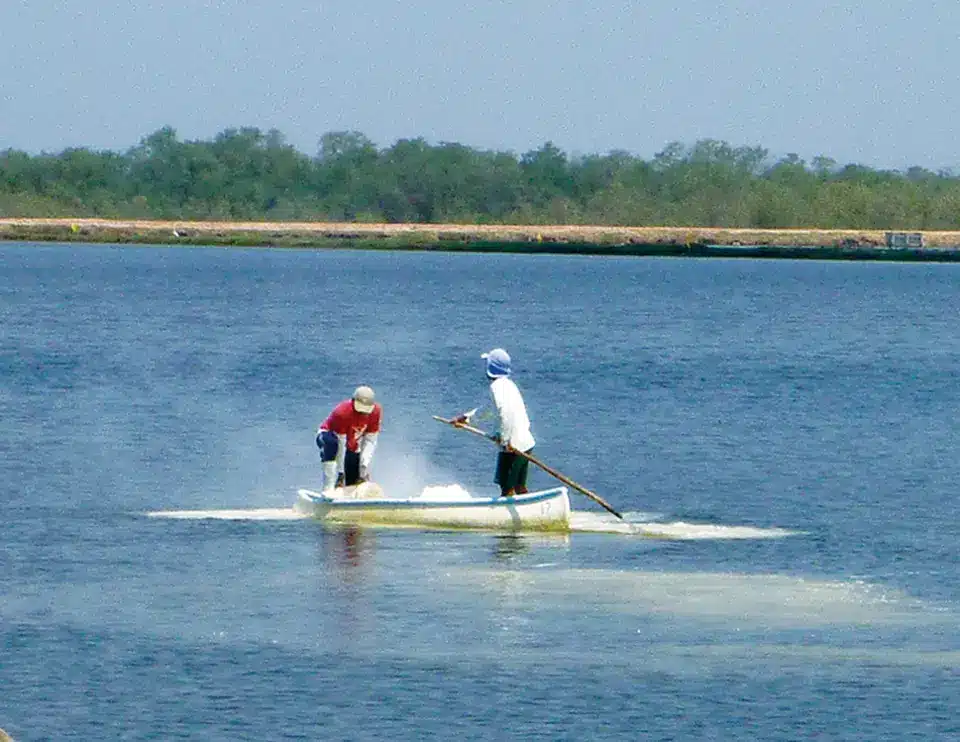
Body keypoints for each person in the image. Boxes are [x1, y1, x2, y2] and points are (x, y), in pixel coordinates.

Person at [455, 348, 535, 497]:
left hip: (513, 446)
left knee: (507, 489)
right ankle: (528, 510)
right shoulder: (509, 385)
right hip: (527, 443)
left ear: (491, 368)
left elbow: (506, 414)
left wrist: (505, 440)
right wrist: (466, 419)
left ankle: (509, 516)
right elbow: (488, 410)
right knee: (519, 487)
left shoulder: (496, 387)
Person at [316, 385, 382, 493]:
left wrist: (364, 466)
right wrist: (341, 473)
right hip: (329, 436)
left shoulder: (376, 412)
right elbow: (341, 443)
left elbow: (370, 440)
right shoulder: (342, 412)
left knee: (354, 480)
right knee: (332, 444)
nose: (362, 414)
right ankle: (328, 488)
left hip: (352, 444)